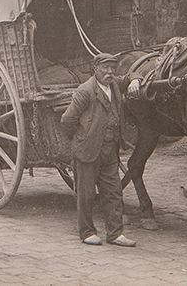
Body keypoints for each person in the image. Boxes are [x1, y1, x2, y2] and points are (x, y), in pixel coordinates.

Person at [59, 52, 138, 247]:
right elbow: (67, 120)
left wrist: (136, 79)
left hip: (110, 150)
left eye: (112, 68)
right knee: (86, 194)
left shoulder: (114, 85)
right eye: (105, 68)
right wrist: (82, 138)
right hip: (87, 150)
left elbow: (130, 76)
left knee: (113, 192)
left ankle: (115, 233)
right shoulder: (85, 91)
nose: (109, 72)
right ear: (96, 69)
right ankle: (87, 232)